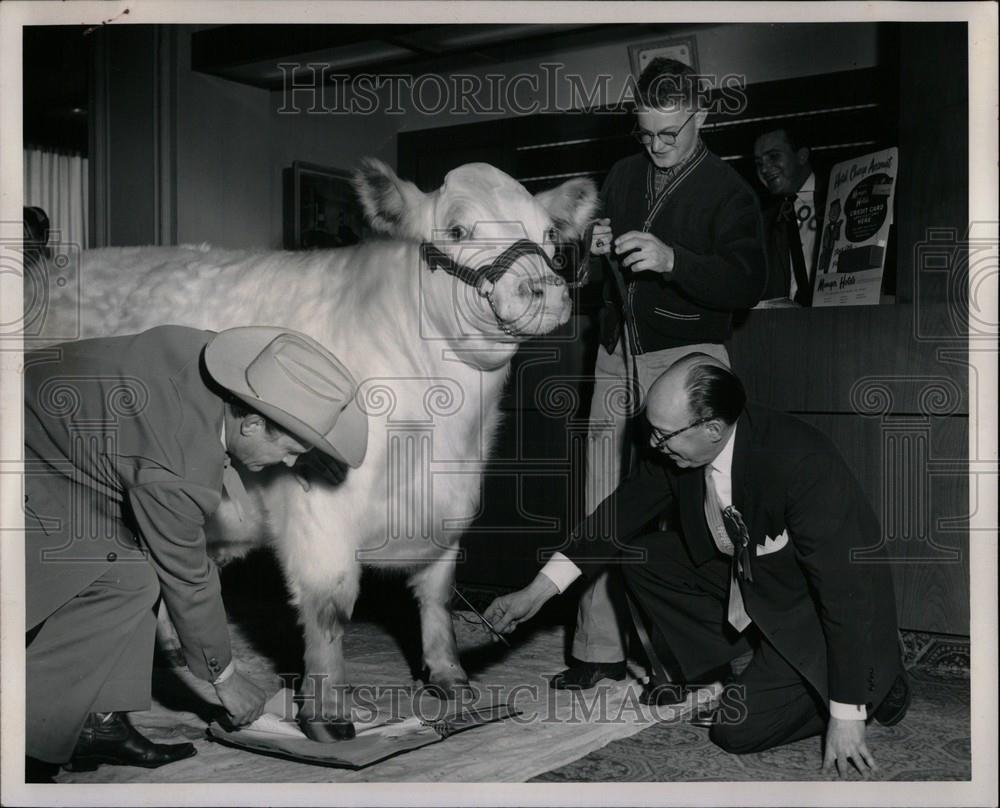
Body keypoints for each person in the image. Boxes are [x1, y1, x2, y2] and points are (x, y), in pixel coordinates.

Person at [485, 354, 910, 775]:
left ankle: (879, 682)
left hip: (814, 615)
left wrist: (848, 712)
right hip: (756, 590)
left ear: (712, 428)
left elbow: (849, 590)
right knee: (645, 556)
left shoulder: (801, 461)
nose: (653, 446)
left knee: (736, 731)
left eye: (663, 435)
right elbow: (616, 517)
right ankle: (751, 662)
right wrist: (536, 591)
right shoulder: (681, 450)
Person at [24, 325, 367, 781]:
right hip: (18, 451)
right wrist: (224, 677)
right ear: (250, 423)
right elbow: (187, 574)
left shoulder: (220, 371)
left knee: (132, 574)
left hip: (54, 441)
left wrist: (301, 445)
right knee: (113, 577)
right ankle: (21, 740)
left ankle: (94, 724)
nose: (288, 463)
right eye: (287, 450)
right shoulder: (177, 461)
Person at [561, 57, 767, 690]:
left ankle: (680, 658)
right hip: (616, 353)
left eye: (669, 134)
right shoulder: (623, 174)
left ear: (700, 117)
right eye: (645, 133)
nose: (655, 147)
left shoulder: (730, 192)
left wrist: (674, 257)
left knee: (682, 512)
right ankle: (596, 649)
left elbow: (748, 281)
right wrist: (592, 257)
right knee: (600, 497)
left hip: (686, 360)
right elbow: (594, 279)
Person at [753, 126, 827, 306]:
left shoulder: (838, 198)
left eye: (773, 156)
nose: (765, 169)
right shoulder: (762, 222)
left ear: (801, 156)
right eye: (759, 163)